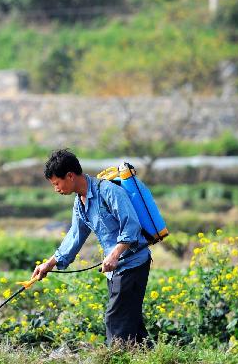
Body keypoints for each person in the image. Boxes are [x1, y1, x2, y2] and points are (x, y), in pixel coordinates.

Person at [31, 148, 152, 345]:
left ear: (70, 176)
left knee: (115, 319)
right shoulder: (80, 203)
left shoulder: (108, 191)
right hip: (115, 269)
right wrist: (49, 264)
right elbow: (75, 236)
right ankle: (153, 359)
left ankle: (116, 362)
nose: (56, 189)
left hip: (132, 263)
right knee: (132, 324)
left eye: (57, 183)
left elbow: (131, 226)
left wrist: (114, 255)